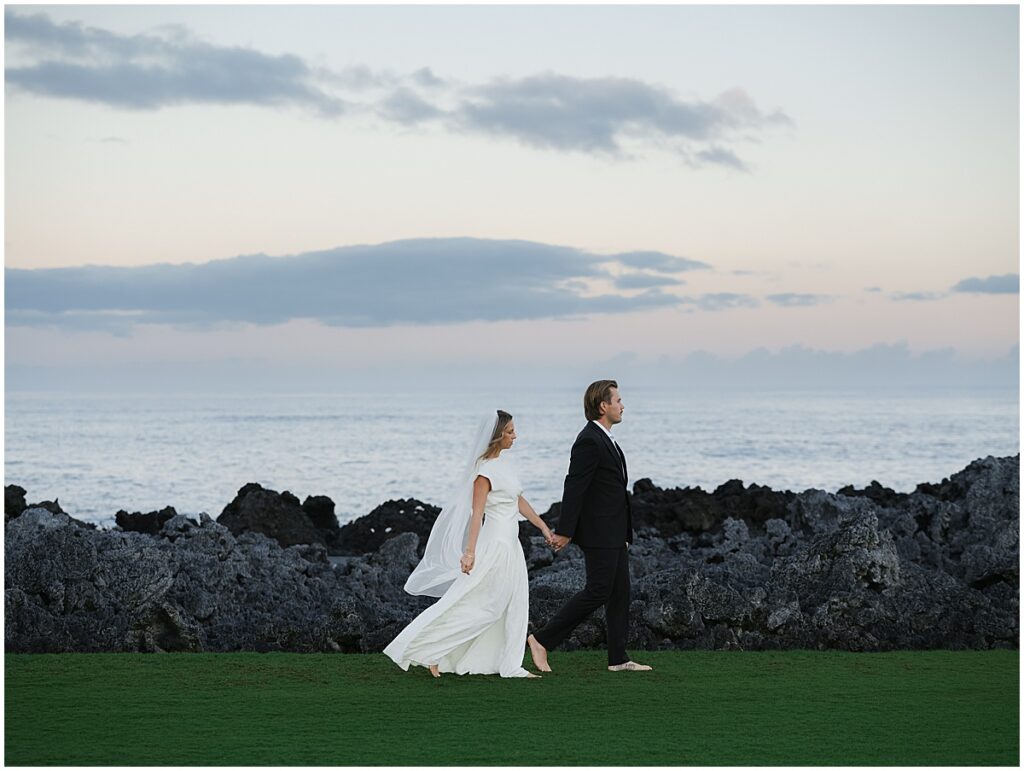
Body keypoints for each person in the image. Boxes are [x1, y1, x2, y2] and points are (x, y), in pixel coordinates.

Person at [384, 409, 556, 678]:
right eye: (510, 432)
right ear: (497, 436)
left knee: (516, 603)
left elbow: (518, 501)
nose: (515, 436)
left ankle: (510, 665)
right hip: (495, 544)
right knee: (486, 606)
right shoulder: (484, 472)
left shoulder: (505, 466)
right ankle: (429, 649)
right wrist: (470, 552)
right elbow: (477, 514)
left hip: (512, 545)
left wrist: (543, 527)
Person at [527, 380, 653, 673]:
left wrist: (624, 533)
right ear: (603, 406)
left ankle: (618, 659)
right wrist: (566, 531)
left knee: (621, 592)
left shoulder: (607, 439)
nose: (623, 405)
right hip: (599, 533)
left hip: (614, 532)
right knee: (598, 591)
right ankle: (542, 640)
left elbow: (613, 492)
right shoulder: (588, 440)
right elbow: (575, 488)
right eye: (618, 400)